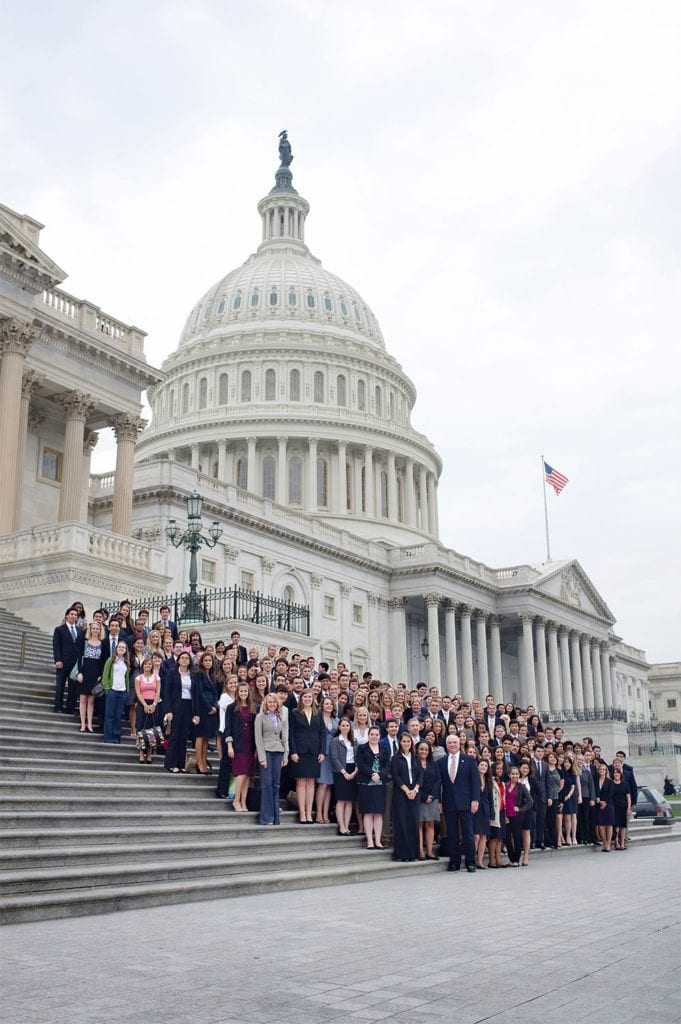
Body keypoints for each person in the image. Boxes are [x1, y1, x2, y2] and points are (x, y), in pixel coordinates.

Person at [438, 733, 481, 873]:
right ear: (446, 745)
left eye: (454, 742)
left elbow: (475, 782)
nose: (452, 745)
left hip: (466, 802)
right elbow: (440, 784)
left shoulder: (468, 760)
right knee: (452, 834)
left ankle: (470, 862)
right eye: (449, 743)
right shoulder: (441, 762)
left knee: (468, 833)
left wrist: (475, 800)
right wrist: (439, 801)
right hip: (449, 803)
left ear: (459, 744)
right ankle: (454, 862)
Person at [288, 689, 325, 824]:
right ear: (301, 698)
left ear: (313, 698)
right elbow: (290, 733)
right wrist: (293, 751)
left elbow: (322, 733)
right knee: (301, 782)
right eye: (305, 697)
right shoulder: (294, 712)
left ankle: (309, 814)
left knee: (311, 783)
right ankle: (302, 814)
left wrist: (322, 751)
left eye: (310, 697)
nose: (308, 699)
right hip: (300, 751)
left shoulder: (318, 713)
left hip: (314, 752)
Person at [254, 692, 289, 825]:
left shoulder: (278, 717)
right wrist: (261, 757)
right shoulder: (260, 717)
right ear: (265, 703)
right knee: (267, 784)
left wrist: (285, 755)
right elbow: (258, 738)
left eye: (274, 702)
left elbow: (282, 736)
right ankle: (266, 817)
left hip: (278, 752)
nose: (272, 704)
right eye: (270, 702)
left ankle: (275, 817)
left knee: (275, 784)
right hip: (267, 752)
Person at [390, 732, 423, 862]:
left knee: (413, 822)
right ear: (400, 743)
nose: (406, 744)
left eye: (408, 741)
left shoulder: (416, 758)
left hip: (414, 793)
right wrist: (406, 790)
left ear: (411, 743)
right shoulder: (395, 758)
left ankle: (412, 853)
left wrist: (415, 790)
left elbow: (420, 775)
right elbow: (395, 776)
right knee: (401, 822)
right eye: (403, 741)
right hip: (400, 793)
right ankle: (401, 854)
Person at [356, 725, 391, 849]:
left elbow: (388, 766)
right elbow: (360, 764)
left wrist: (380, 775)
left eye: (376, 735)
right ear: (368, 735)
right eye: (372, 734)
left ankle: (378, 840)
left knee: (378, 813)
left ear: (380, 736)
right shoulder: (362, 748)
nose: (374, 737)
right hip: (366, 783)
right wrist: (371, 774)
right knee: (368, 812)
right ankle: (370, 841)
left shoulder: (384, 749)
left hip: (380, 784)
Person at [224, 683, 256, 811]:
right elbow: (228, 728)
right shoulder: (232, 708)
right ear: (238, 692)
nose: (243, 693)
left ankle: (243, 801)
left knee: (248, 774)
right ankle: (236, 800)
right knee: (241, 773)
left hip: (250, 745)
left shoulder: (253, 707)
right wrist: (229, 746)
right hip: (238, 745)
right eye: (241, 691)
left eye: (245, 691)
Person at [163, 651, 195, 773]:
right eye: (182, 658)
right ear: (178, 660)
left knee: (183, 736)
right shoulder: (173, 673)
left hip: (188, 706)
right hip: (176, 706)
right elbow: (167, 692)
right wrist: (169, 710)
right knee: (174, 735)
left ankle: (181, 763)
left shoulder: (193, 674)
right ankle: (171, 763)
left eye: (187, 658)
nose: (185, 660)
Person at [52, 607, 84, 715]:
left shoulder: (80, 630)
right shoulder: (59, 629)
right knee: (60, 685)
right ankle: (58, 706)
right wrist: (58, 660)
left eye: (75, 615)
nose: (74, 616)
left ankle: (70, 708)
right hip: (63, 662)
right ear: (67, 615)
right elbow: (56, 646)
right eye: (72, 614)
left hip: (75, 663)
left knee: (73, 686)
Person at [75, 621, 105, 732]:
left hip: (95, 673)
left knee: (91, 701)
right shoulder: (85, 642)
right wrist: (80, 672)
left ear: (100, 630)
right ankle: (83, 724)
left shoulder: (102, 644)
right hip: (85, 671)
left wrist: (100, 675)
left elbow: (102, 662)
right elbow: (79, 658)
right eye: (94, 628)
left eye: (98, 629)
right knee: (83, 699)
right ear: (90, 630)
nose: (95, 630)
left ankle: (90, 724)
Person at [330, 718, 358, 836]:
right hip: (340, 771)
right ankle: (341, 827)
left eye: (347, 725)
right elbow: (334, 758)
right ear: (339, 727)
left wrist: (354, 772)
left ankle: (347, 827)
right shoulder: (335, 741)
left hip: (353, 770)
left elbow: (358, 758)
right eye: (343, 725)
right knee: (341, 800)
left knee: (349, 801)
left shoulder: (354, 741)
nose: (345, 727)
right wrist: (344, 773)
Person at [192, 652, 218, 775]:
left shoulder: (212, 676)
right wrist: (209, 706)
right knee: (200, 735)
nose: (208, 662)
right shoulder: (198, 674)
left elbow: (215, 693)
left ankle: (204, 760)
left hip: (212, 709)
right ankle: (199, 762)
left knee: (207, 736)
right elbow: (199, 693)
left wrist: (215, 706)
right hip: (202, 709)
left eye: (210, 660)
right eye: (206, 660)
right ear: (202, 662)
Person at [315, 697, 339, 825]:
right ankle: (318, 813)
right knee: (322, 784)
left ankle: (325, 813)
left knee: (329, 785)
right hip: (322, 754)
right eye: (326, 703)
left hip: (334, 756)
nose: (329, 706)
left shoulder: (337, 720)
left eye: (331, 704)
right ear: (322, 705)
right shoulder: (317, 718)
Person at [133, 656, 161, 764]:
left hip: (153, 703)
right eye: (145, 664)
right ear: (142, 666)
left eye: (149, 664)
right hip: (142, 704)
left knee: (151, 730)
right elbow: (138, 692)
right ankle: (141, 753)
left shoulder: (156, 678)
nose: (147, 665)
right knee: (141, 728)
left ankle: (149, 754)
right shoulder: (138, 678)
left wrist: (153, 704)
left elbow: (158, 691)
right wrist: (144, 705)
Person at [101, 641, 131, 744]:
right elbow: (105, 675)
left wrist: (127, 690)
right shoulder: (111, 660)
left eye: (123, 647)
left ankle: (116, 736)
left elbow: (126, 677)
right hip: (112, 691)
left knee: (118, 715)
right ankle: (108, 737)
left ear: (126, 650)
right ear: (116, 648)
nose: (121, 649)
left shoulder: (126, 662)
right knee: (110, 715)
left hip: (122, 692)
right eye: (120, 647)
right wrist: (107, 688)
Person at [503, 766, 533, 866]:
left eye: (516, 774)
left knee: (516, 837)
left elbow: (530, 801)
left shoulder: (522, 786)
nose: (515, 775)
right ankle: (511, 859)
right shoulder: (505, 785)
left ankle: (516, 860)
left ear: (519, 775)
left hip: (517, 816)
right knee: (506, 838)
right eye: (513, 774)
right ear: (509, 775)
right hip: (506, 816)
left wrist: (521, 809)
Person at [416, 740, 440, 860]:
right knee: (419, 824)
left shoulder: (433, 764)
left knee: (430, 823)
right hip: (419, 798)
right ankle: (420, 851)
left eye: (426, 749)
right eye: (421, 749)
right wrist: (423, 796)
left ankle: (430, 851)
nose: (423, 751)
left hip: (432, 798)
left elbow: (438, 780)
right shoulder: (414, 763)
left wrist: (432, 795)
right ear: (417, 750)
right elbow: (413, 782)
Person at [473, 758, 493, 869]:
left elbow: (491, 799)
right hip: (475, 809)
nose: (484, 767)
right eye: (481, 765)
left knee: (484, 837)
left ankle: (479, 862)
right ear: (477, 766)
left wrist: (492, 814)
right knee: (476, 836)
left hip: (485, 810)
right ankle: (471, 859)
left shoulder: (489, 780)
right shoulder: (473, 779)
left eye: (486, 765)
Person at [488, 761, 506, 867]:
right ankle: (492, 860)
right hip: (495, 812)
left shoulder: (502, 782)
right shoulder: (491, 781)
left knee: (500, 837)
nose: (500, 770)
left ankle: (499, 859)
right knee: (494, 837)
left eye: (501, 769)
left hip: (502, 811)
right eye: (498, 768)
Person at [595, 762, 615, 852]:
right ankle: (604, 843)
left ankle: (609, 844)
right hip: (598, 804)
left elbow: (611, 793)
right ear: (598, 771)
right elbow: (594, 791)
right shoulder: (595, 780)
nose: (602, 771)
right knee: (601, 825)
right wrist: (598, 799)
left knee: (609, 824)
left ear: (606, 771)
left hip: (608, 804)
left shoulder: (610, 781)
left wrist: (605, 802)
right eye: (600, 769)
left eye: (603, 769)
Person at [611, 767, 632, 850]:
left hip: (623, 807)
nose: (616, 774)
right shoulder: (611, 784)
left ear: (620, 774)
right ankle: (616, 843)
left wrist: (629, 808)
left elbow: (628, 797)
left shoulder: (625, 784)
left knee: (623, 826)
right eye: (615, 773)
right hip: (614, 807)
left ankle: (622, 843)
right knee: (616, 826)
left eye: (618, 773)